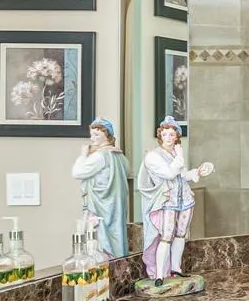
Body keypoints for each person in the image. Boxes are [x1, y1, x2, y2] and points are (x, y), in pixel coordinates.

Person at [136, 118, 213, 282]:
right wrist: (180, 156)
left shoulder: (174, 154)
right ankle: (159, 274)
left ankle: (175, 268)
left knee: (180, 234)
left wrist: (196, 172)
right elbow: (169, 173)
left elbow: (182, 175)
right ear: (160, 136)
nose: (168, 137)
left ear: (177, 136)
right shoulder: (153, 156)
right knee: (166, 236)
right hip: (168, 201)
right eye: (165, 134)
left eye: (172, 134)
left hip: (184, 199)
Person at [71, 118, 130, 257]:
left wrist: (83, 156)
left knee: (98, 236)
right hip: (115, 205)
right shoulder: (120, 156)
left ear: (107, 134)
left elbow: (77, 172)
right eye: (91, 134)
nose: (92, 138)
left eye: (97, 134)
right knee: (116, 233)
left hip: (99, 205)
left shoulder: (99, 156)